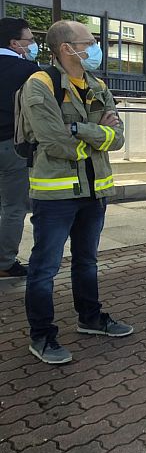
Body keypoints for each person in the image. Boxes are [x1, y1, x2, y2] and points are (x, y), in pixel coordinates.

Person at [19, 20, 131, 364]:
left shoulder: (97, 84)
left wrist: (78, 129)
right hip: (56, 195)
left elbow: (119, 138)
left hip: (94, 192)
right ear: (67, 48)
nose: (96, 48)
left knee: (87, 261)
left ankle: (90, 318)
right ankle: (42, 336)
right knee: (44, 268)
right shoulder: (40, 85)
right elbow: (55, 143)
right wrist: (97, 134)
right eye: (90, 42)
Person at [0, 18, 39, 279]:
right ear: (15, 43)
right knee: (13, 207)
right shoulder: (28, 70)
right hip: (11, 145)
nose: (33, 44)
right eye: (30, 40)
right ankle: (4, 262)